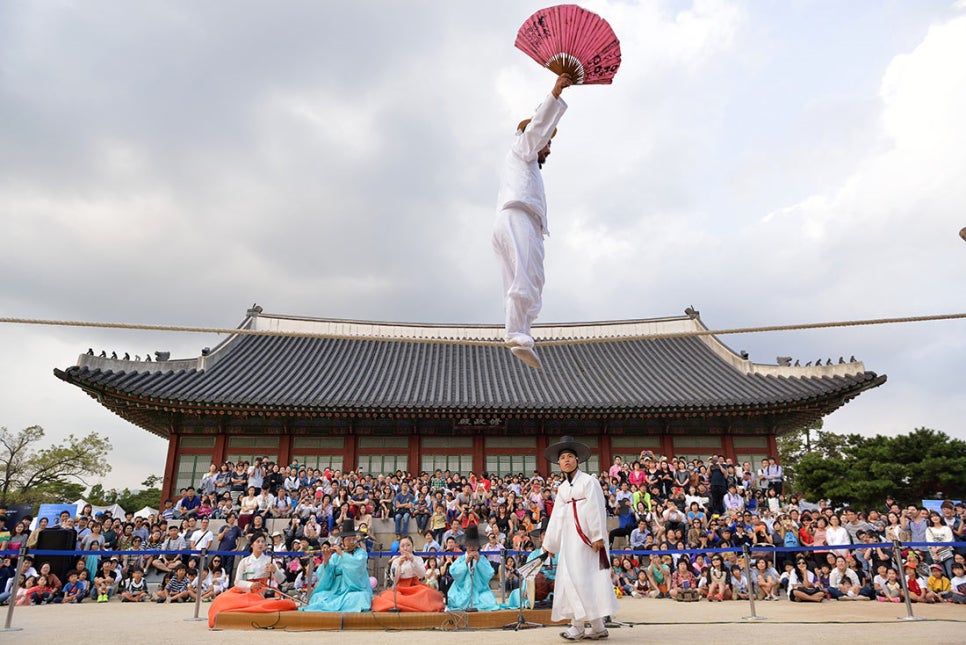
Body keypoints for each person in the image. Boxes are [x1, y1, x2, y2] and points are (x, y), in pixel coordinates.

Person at [492, 73, 573, 369]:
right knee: (525, 279)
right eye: (546, 143)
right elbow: (537, 128)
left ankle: (522, 334)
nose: (548, 149)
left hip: (516, 221)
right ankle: (516, 333)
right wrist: (555, 93)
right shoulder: (521, 148)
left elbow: (540, 128)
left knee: (528, 280)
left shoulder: (526, 164)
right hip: (518, 217)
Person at [541, 436, 618, 641]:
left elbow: (596, 509)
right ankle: (595, 627)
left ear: (577, 460)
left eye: (569, 456)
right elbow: (557, 517)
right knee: (572, 580)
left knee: (587, 581)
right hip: (570, 541)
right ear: (559, 463)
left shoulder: (589, 481)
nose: (566, 460)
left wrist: (598, 536)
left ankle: (581, 626)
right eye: (562, 458)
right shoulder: (562, 488)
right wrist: (549, 544)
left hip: (589, 542)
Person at [207, 534, 296, 627]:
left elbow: (282, 581)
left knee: (278, 602)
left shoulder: (269, 560)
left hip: (261, 590)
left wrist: (274, 570)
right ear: (252, 545)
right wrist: (250, 585)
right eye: (258, 542)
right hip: (245, 589)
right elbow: (237, 582)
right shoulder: (244, 561)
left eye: (263, 542)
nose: (260, 544)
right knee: (220, 599)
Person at [301, 519, 372, 612]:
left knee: (360, 597)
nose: (351, 541)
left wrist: (342, 554)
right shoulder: (335, 556)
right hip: (336, 589)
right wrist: (326, 560)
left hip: (353, 589)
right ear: (342, 541)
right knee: (318, 596)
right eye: (348, 539)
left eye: (353, 539)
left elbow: (357, 566)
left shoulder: (361, 553)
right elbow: (325, 575)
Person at [371, 535, 444, 612]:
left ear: (412, 546)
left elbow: (422, 575)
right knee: (389, 597)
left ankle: (408, 604)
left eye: (408, 545)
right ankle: (408, 604)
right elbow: (394, 579)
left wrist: (413, 561)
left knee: (427, 593)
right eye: (402, 546)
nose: (405, 548)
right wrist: (399, 565)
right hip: (400, 587)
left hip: (415, 586)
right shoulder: (396, 561)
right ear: (399, 549)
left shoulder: (418, 559)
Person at [445, 525, 499, 611]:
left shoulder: (482, 559)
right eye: (469, 545)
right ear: (466, 546)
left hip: (480, 591)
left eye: (474, 545)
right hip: (462, 590)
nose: (472, 547)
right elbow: (453, 572)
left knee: (490, 602)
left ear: (478, 546)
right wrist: (465, 563)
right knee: (455, 600)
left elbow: (489, 573)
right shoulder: (462, 559)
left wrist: (479, 562)